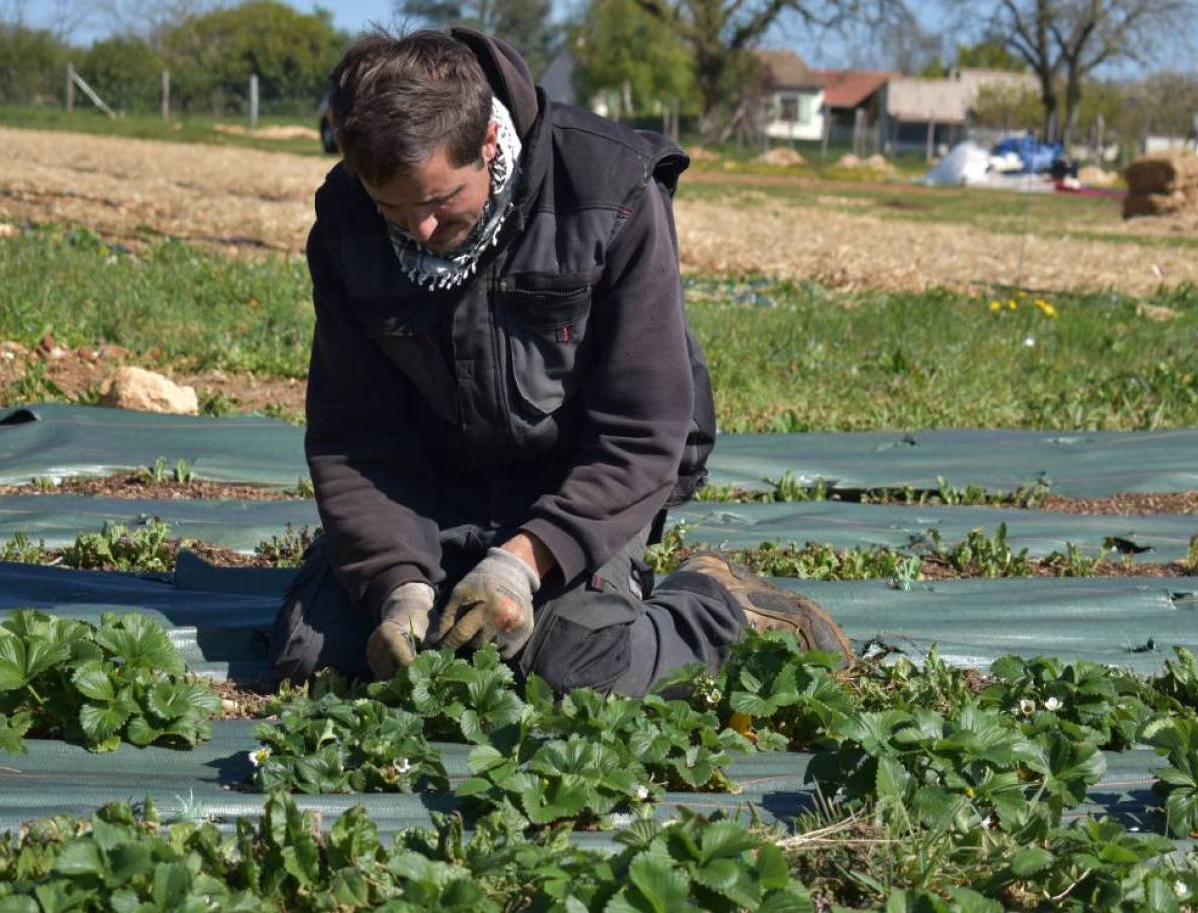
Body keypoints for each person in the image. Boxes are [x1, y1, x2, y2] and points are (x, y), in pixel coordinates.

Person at [270, 27, 853, 694]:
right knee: (319, 654)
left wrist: (522, 562)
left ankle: (719, 606)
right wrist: (396, 583)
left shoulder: (612, 189)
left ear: (487, 144)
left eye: (436, 202)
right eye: (392, 208)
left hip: (580, 480)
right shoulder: (346, 221)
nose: (418, 231)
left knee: (570, 666)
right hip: (438, 486)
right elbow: (355, 437)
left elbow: (643, 432)